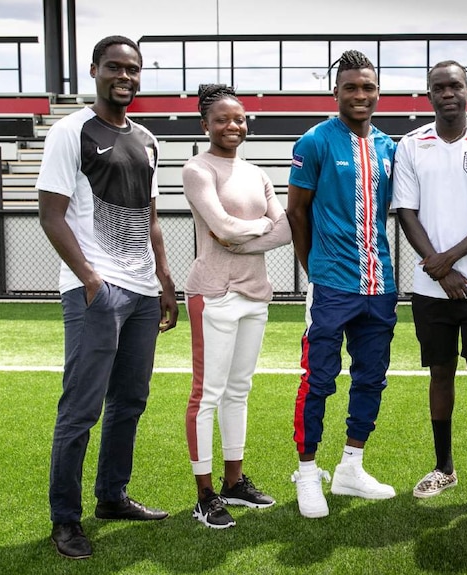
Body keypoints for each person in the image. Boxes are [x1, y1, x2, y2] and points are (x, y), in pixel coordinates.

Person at [37, 35, 179, 559]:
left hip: (142, 291)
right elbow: (51, 213)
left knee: (130, 402)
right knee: (82, 407)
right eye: (115, 67)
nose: (125, 76)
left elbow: (151, 215)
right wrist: (89, 278)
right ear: (94, 70)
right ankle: (65, 520)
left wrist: (164, 280)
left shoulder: (145, 138)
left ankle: (112, 497)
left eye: (133, 69)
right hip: (95, 289)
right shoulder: (70, 130)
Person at [392, 61, 467, 518]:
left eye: (455, 86)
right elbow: (406, 211)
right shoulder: (412, 144)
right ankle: (444, 467)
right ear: (428, 94)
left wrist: (451, 259)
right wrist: (439, 270)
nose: (448, 93)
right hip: (430, 289)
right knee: (439, 373)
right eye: (439, 87)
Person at [286, 50, 398, 519]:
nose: (360, 95)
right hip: (332, 283)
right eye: (350, 87)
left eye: (367, 87)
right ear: (335, 92)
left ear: (377, 92)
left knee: (371, 378)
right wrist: (315, 269)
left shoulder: (390, 146)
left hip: (381, 284)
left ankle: (352, 466)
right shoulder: (314, 142)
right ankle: (308, 473)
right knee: (320, 379)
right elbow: (296, 210)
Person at [182, 84, 292, 529]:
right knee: (206, 394)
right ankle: (204, 495)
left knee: (239, 391)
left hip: (254, 293)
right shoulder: (196, 169)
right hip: (212, 293)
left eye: (240, 118)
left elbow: (283, 231)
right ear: (205, 124)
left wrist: (243, 238)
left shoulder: (257, 172)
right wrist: (257, 225)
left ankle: (233, 483)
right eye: (223, 119)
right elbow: (219, 224)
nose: (234, 126)